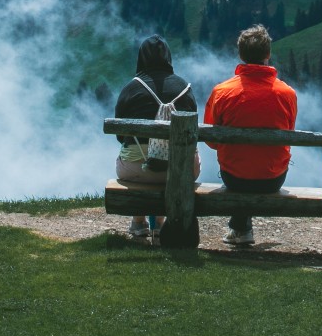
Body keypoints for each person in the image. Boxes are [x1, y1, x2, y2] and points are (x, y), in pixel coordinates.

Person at [203, 24, 296, 246]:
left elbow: (211, 140)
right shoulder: (287, 93)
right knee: (258, 165)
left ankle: (241, 229)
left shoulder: (222, 92)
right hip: (273, 179)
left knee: (242, 168)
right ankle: (241, 228)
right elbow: (289, 134)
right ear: (268, 54)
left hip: (234, 177)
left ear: (241, 55)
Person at [112, 35, 199, 242]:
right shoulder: (184, 88)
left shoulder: (131, 88)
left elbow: (120, 136)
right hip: (181, 170)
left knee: (132, 154)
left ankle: (139, 222)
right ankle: (159, 223)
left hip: (137, 170)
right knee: (176, 155)